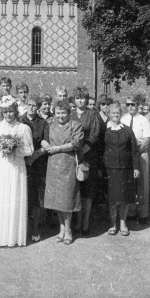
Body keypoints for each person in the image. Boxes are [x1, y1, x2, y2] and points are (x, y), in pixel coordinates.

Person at [0, 96, 34, 247]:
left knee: (14, 197)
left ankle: (13, 236)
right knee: (2, 197)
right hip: (3, 164)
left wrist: (15, 149)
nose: (8, 115)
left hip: (17, 165)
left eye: (11, 112)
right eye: (5, 112)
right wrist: (1, 147)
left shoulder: (23, 128)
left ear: (15, 112)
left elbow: (29, 150)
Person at [44, 100, 84, 245]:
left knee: (67, 199)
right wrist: (46, 145)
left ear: (69, 113)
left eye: (63, 113)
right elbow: (44, 140)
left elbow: (76, 143)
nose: (60, 116)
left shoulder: (75, 125)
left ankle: (68, 230)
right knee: (57, 200)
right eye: (58, 113)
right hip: (53, 165)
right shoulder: (51, 125)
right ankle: (61, 229)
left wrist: (57, 148)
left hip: (67, 164)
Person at [103, 103, 140, 237]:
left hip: (126, 168)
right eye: (113, 113)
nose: (115, 115)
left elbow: (134, 150)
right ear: (109, 114)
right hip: (110, 169)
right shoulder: (104, 130)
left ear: (121, 114)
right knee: (113, 198)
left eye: (118, 113)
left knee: (124, 197)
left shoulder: (127, 130)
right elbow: (101, 149)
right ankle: (113, 224)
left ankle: (123, 223)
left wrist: (136, 167)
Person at [70, 87, 101, 235]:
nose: (80, 100)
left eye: (82, 98)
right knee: (75, 189)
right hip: (72, 155)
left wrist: (83, 150)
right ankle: (77, 220)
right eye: (77, 98)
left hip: (88, 155)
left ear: (87, 99)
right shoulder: (70, 114)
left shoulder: (92, 114)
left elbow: (95, 135)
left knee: (87, 190)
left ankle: (86, 221)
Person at [121, 95, 150, 224]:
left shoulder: (144, 120)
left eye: (133, 104)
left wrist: (135, 152)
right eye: (128, 104)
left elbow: (147, 139)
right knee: (130, 184)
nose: (130, 107)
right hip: (127, 156)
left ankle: (143, 213)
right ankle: (131, 211)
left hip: (141, 155)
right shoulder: (123, 119)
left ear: (138, 106)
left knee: (142, 184)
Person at [20, 96, 49, 242]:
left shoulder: (43, 123)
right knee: (23, 196)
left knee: (37, 197)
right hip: (21, 164)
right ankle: (22, 229)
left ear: (38, 108)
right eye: (29, 105)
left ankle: (36, 229)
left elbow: (46, 144)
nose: (31, 108)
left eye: (34, 106)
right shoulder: (19, 120)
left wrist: (35, 155)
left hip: (38, 164)